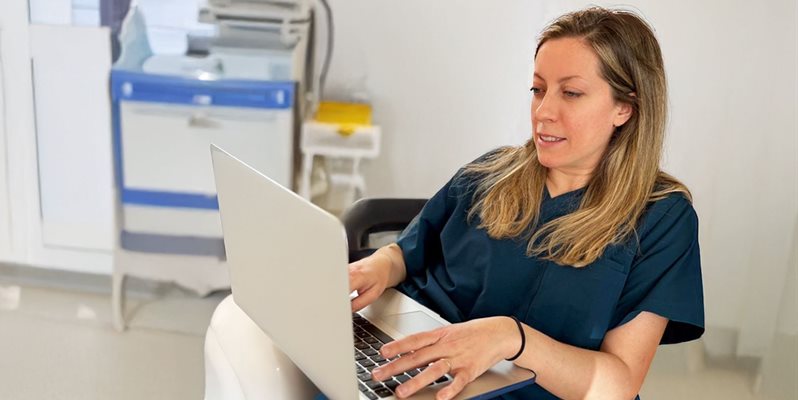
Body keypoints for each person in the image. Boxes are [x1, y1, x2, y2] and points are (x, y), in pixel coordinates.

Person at [348, 6, 704, 400]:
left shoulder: (662, 217)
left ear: (625, 107)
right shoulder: (489, 173)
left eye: (571, 93)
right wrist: (378, 265)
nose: (543, 112)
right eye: (538, 89)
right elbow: (408, 254)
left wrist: (510, 338)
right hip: (408, 368)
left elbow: (616, 385)